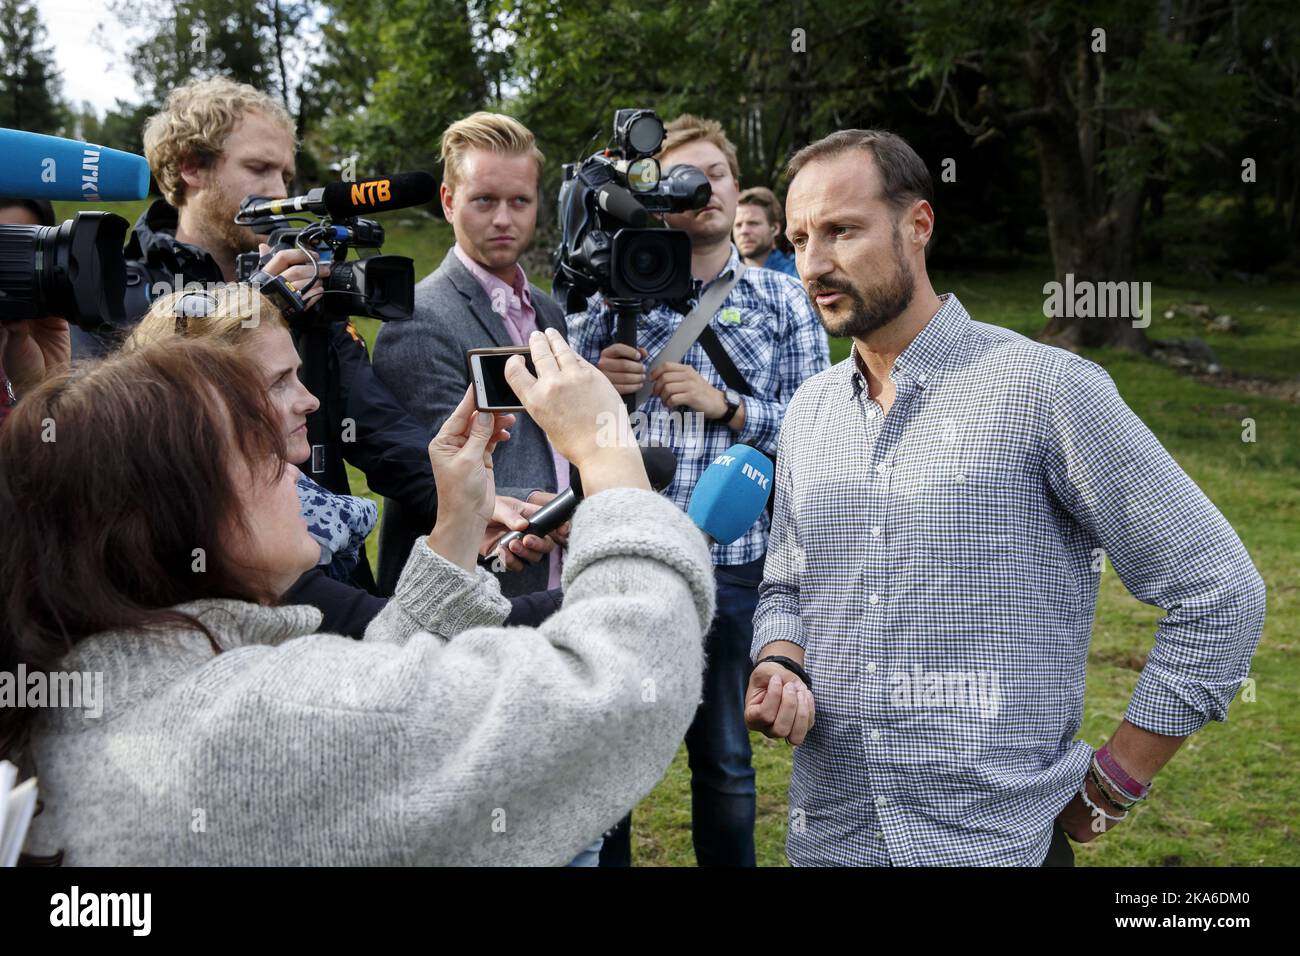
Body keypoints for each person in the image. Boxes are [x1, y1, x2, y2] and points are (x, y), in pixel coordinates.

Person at [747, 128, 1267, 866]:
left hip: (994, 847)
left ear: (917, 225)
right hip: (832, 840)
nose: (814, 264)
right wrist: (779, 659)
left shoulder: (1049, 389)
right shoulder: (808, 412)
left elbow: (1221, 592)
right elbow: (787, 583)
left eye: (841, 231)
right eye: (799, 239)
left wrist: (1115, 782)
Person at [2, 329, 716, 866]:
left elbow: (368, 711)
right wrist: (609, 457)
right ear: (169, 514)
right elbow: (614, 689)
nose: (292, 457)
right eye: (253, 442)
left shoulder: (101, 681)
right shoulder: (241, 725)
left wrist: (459, 517)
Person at [109, 78, 556, 595]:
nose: (279, 191)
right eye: (258, 169)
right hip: (200, 588)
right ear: (191, 167)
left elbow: (376, 426)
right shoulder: (123, 293)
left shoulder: (301, 281)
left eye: (286, 173)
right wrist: (256, 316)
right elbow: (142, 452)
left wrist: (473, 501)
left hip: (329, 581)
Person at [567, 114, 830, 867]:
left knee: (724, 761)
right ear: (653, 199)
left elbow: (820, 434)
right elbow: (560, 434)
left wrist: (730, 408)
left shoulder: (784, 302)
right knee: (607, 762)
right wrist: (599, 390)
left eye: (717, 172)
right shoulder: (607, 302)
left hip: (734, 562)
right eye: (685, 178)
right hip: (627, 559)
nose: (706, 189)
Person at [372, 112, 571, 600]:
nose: (504, 218)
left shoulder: (548, 309)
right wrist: (568, 513)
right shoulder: (415, 320)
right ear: (447, 201)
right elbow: (440, 470)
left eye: (520, 200)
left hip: (555, 585)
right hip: (466, 596)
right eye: (484, 200)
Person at [733, 186, 798, 277]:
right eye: (738, 225)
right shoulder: (724, 277)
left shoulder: (798, 274)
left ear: (775, 229)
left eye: (753, 223)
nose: (744, 231)